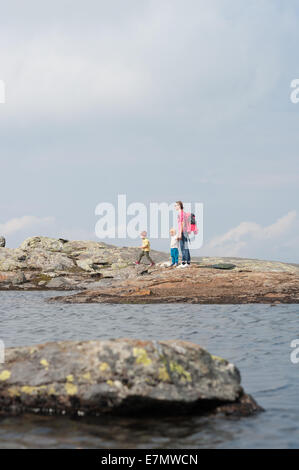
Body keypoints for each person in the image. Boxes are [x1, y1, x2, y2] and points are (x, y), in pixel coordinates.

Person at [175, 200, 191, 268]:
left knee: (183, 247)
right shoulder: (183, 213)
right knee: (185, 246)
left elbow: (182, 223)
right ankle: (187, 262)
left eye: (175, 205)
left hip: (183, 231)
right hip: (185, 231)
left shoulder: (181, 213)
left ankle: (184, 262)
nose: (175, 207)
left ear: (179, 206)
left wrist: (180, 233)